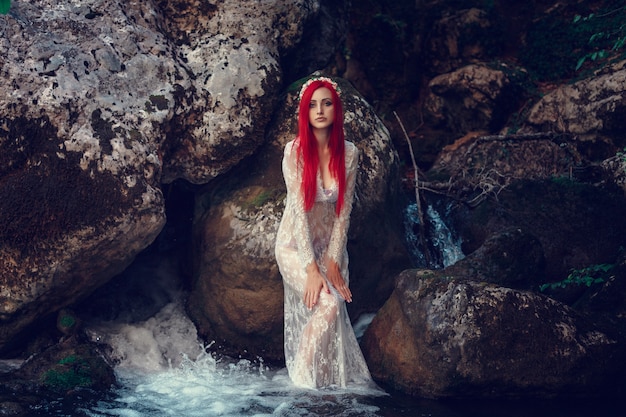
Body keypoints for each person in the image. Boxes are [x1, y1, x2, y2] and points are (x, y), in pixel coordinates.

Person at [274, 76, 373, 389]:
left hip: (329, 247)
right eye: (312, 105)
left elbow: (344, 213)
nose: (319, 110)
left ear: (336, 109)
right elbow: (299, 213)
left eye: (326, 103)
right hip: (294, 246)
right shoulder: (294, 152)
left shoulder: (350, 154)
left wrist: (331, 261)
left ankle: (316, 386)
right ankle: (300, 381)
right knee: (328, 304)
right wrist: (310, 267)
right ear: (304, 112)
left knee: (332, 305)